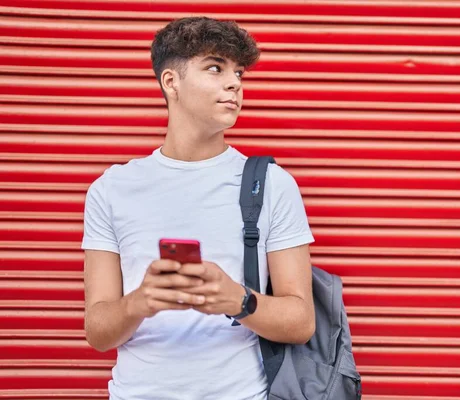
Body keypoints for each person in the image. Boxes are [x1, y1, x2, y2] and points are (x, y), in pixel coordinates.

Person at [81, 16, 316, 400]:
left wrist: (238, 300)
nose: (235, 83)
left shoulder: (270, 184)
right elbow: (98, 331)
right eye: (214, 68)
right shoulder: (112, 189)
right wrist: (140, 302)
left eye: (238, 72)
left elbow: (301, 321)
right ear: (170, 82)